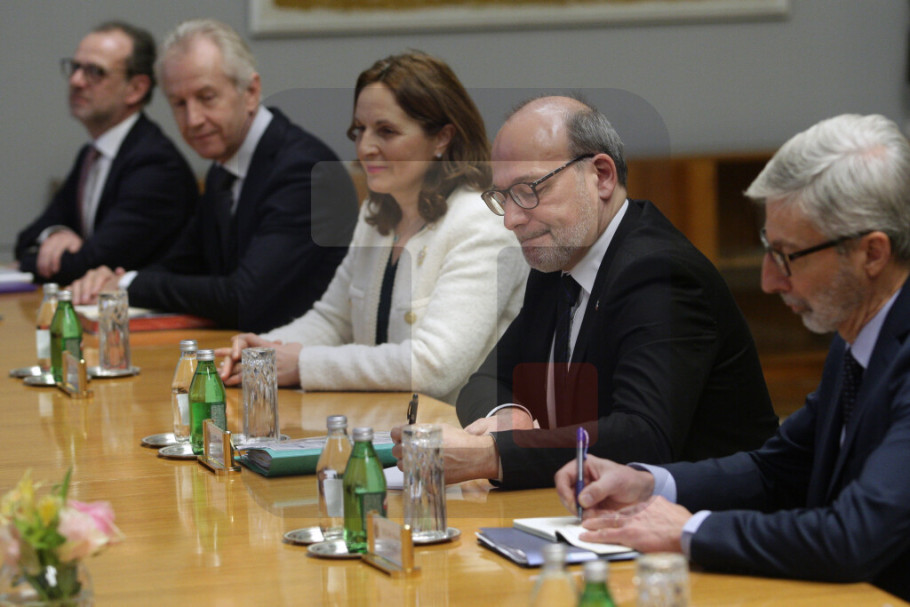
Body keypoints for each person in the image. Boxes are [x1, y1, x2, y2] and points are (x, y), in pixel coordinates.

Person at [553, 113, 910, 601]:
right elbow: (777, 470)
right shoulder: (861, 333)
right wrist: (646, 483)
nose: (768, 280)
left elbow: (853, 537)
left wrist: (688, 531)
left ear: (872, 254)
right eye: (767, 248)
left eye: (787, 255)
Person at [421, 95, 778, 487]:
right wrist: (509, 415)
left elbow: (643, 437)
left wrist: (493, 455)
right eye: (503, 197)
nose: (510, 219)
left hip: (700, 514)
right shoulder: (559, 259)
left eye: (528, 190)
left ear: (602, 176)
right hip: (586, 506)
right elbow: (487, 380)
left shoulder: (660, 274)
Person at [216, 52, 527, 404]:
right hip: (383, 422)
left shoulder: (482, 222)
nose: (365, 147)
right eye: (359, 130)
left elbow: (434, 367)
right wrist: (262, 352)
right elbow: (333, 321)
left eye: (386, 131)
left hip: (460, 430)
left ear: (442, 138)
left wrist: (302, 364)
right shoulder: (376, 213)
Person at [70, 19, 357, 333]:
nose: (193, 119)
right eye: (179, 103)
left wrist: (129, 283)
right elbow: (183, 263)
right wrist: (112, 280)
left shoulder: (305, 171)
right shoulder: (223, 168)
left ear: (250, 92)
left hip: (303, 355)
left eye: (206, 97)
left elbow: (244, 298)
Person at [15, 21, 197, 285]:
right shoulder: (90, 155)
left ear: (136, 89)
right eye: (75, 67)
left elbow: (87, 265)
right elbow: (25, 240)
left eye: (94, 72)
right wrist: (55, 234)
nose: (76, 81)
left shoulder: (156, 165)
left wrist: (37, 258)